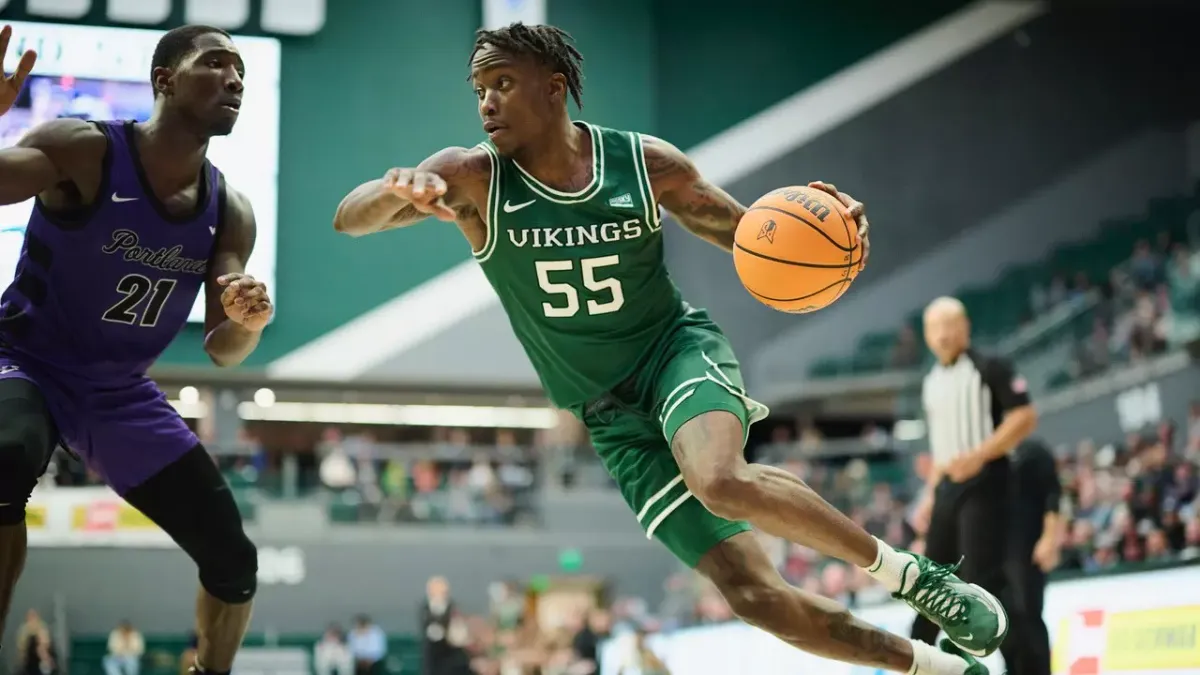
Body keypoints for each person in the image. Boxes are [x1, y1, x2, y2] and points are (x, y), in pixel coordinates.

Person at [334, 23, 1007, 675]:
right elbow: (350, 217)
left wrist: (820, 226)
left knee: (719, 479)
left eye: (503, 83)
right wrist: (394, 189)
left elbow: (754, 235)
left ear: (555, 88)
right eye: (479, 88)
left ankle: (913, 577)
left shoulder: (644, 164)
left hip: (672, 353)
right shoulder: (471, 178)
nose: (486, 102)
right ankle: (938, 668)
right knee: (754, 597)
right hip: (607, 415)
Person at [0, 24, 272, 673]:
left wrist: (247, 323)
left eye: (242, 70)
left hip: (116, 393)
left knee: (234, 560)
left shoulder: (228, 208)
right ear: (164, 79)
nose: (235, 78)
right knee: (7, 455)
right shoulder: (83, 147)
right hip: (25, 359)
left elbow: (223, 350)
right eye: (216, 63)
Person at [910, 297, 1038, 668]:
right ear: (927, 336)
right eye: (935, 328)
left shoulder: (990, 367)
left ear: (965, 327)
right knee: (928, 584)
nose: (943, 334)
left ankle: (1024, 665)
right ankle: (917, 661)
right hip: (948, 488)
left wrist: (980, 454)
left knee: (981, 583)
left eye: (950, 325)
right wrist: (930, 496)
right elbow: (940, 445)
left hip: (987, 482)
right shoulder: (931, 381)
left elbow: (1025, 416)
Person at [1003, 439, 1061, 675]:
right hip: (996, 552)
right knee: (1002, 620)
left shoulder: (1032, 453)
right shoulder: (985, 458)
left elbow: (1054, 497)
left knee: (1029, 614)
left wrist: (1050, 538)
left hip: (1028, 547)